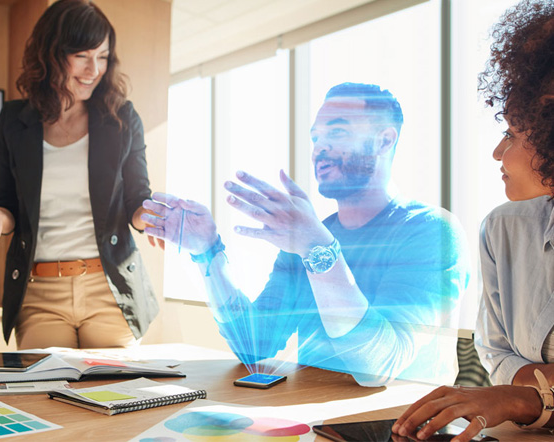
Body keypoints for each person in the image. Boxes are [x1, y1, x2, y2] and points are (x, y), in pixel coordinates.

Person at [143, 82, 469, 386]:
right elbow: (254, 345)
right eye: (315, 138)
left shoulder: (432, 233)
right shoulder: (306, 238)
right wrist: (207, 251)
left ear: (385, 139)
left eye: (337, 132)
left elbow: (378, 366)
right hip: (315, 420)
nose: (319, 148)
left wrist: (316, 246)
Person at [0, 0, 160, 350]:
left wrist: (151, 216)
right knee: (43, 396)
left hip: (108, 288)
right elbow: (7, 207)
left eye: (103, 56)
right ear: (51, 54)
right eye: (82, 55)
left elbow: (136, 200)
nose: (93, 69)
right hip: (39, 293)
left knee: (115, 395)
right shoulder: (13, 121)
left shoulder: (121, 119)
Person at [394, 1, 554, 440]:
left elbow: (516, 387)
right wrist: (538, 393)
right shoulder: (503, 229)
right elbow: (495, 352)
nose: (498, 152)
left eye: (514, 134)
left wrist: (526, 397)